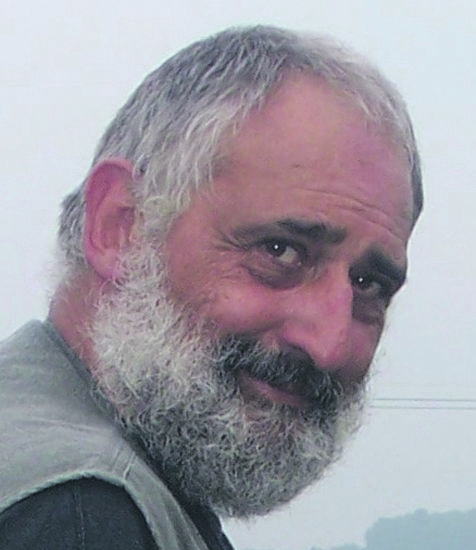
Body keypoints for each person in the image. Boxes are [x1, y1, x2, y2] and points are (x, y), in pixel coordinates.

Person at [0, 25, 422, 549]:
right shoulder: (79, 515)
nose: (329, 344)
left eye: (370, 285)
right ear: (121, 226)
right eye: (281, 251)